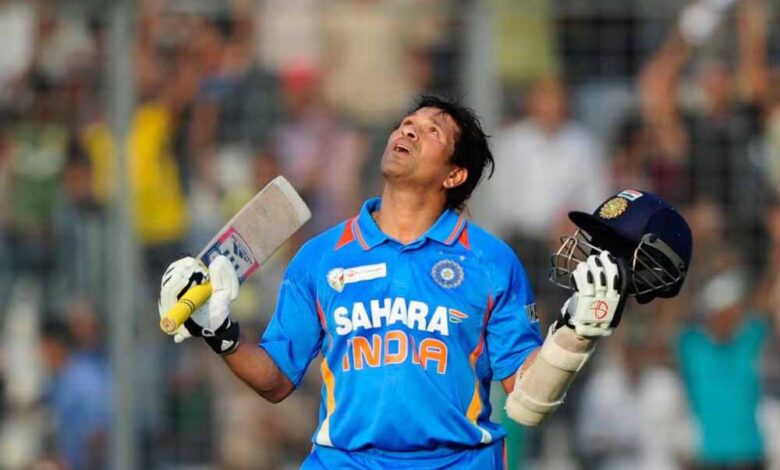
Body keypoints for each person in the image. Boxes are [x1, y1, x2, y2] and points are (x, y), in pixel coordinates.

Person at [158, 96, 692, 468]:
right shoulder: (320, 257)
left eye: (432, 130)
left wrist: (577, 331)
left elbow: (526, 400)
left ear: (454, 174)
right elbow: (275, 380)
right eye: (406, 123)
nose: (408, 130)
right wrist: (220, 332)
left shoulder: (491, 262)